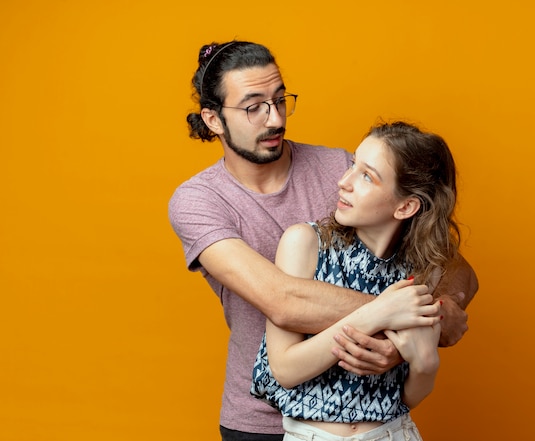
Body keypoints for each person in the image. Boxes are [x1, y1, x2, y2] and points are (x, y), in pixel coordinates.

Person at [168, 40, 478, 441]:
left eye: (280, 100)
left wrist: (438, 312)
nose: (275, 118)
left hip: (374, 420)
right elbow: (284, 300)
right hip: (259, 420)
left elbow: (456, 268)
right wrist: (416, 319)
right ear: (213, 120)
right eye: (253, 107)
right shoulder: (198, 200)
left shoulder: (341, 169)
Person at [251, 120, 459, 440]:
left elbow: (405, 398)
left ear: (405, 206)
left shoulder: (423, 269)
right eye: (352, 166)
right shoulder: (305, 243)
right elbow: (285, 370)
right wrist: (377, 312)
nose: (343, 182)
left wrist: (426, 364)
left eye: (366, 176)